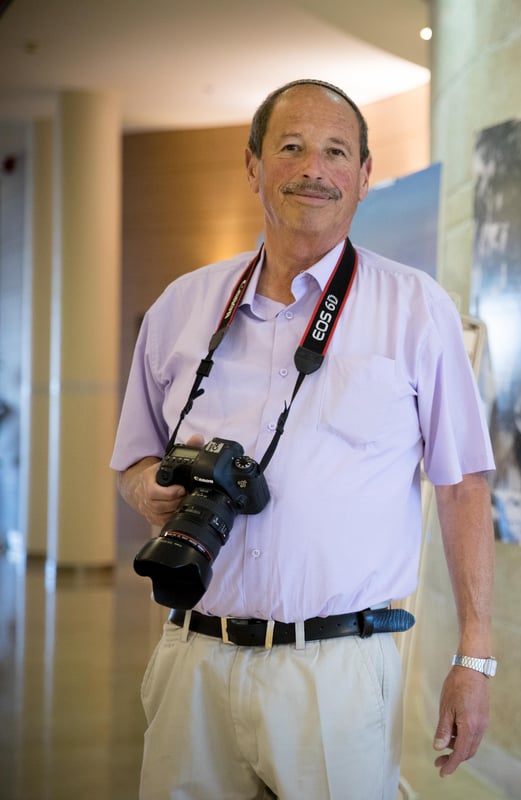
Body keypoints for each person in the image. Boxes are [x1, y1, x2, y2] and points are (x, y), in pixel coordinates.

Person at [111, 78, 496, 798]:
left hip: (339, 670)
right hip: (194, 654)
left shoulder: (416, 310)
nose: (313, 169)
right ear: (253, 164)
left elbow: (464, 483)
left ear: (364, 176)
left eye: (335, 151)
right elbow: (133, 458)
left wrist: (475, 659)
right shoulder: (182, 307)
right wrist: (149, 490)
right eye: (290, 147)